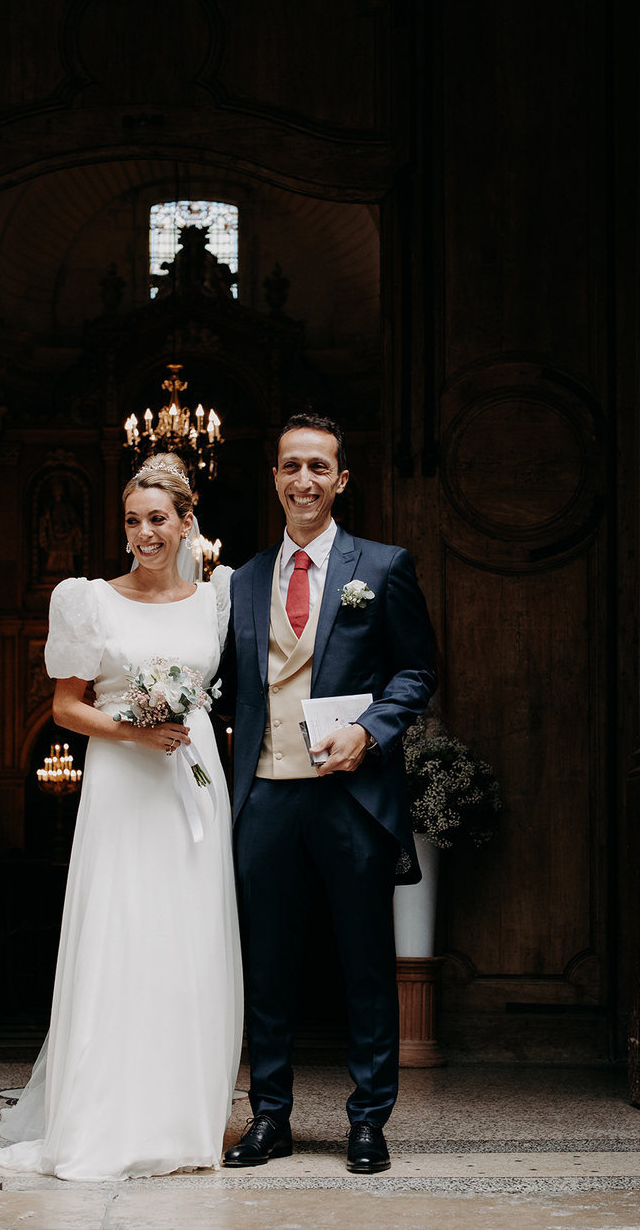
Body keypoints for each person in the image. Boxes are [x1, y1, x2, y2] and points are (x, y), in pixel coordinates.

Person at [0, 453, 242, 1181]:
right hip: (123, 779)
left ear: (186, 523)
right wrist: (132, 730)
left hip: (193, 780)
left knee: (190, 938)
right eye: (132, 520)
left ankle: (184, 1119)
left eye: (158, 519)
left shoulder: (218, 599)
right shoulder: (87, 599)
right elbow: (64, 706)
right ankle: (105, 1114)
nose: (144, 533)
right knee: (122, 932)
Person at [219, 413, 436, 1175]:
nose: (303, 480)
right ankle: (269, 1117)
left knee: (365, 963)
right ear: (274, 477)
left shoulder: (382, 567)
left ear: (342, 479)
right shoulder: (242, 582)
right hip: (265, 799)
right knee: (266, 965)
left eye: (318, 467)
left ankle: (368, 1119)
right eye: (290, 467)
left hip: (351, 799)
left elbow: (416, 672)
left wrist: (372, 730)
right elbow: (222, 689)